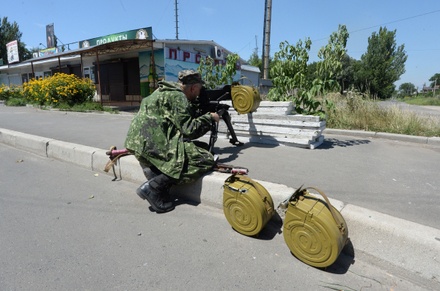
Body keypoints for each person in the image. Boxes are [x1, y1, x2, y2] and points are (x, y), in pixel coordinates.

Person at [124, 70, 220, 213]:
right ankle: (153, 187)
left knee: (200, 147)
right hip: (152, 146)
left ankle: (155, 173)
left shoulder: (163, 90)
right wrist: (209, 118)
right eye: (199, 90)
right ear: (193, 88)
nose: (199, 94)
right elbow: (189, 130)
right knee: (204, 158)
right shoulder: (178, 97)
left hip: (138, 144)